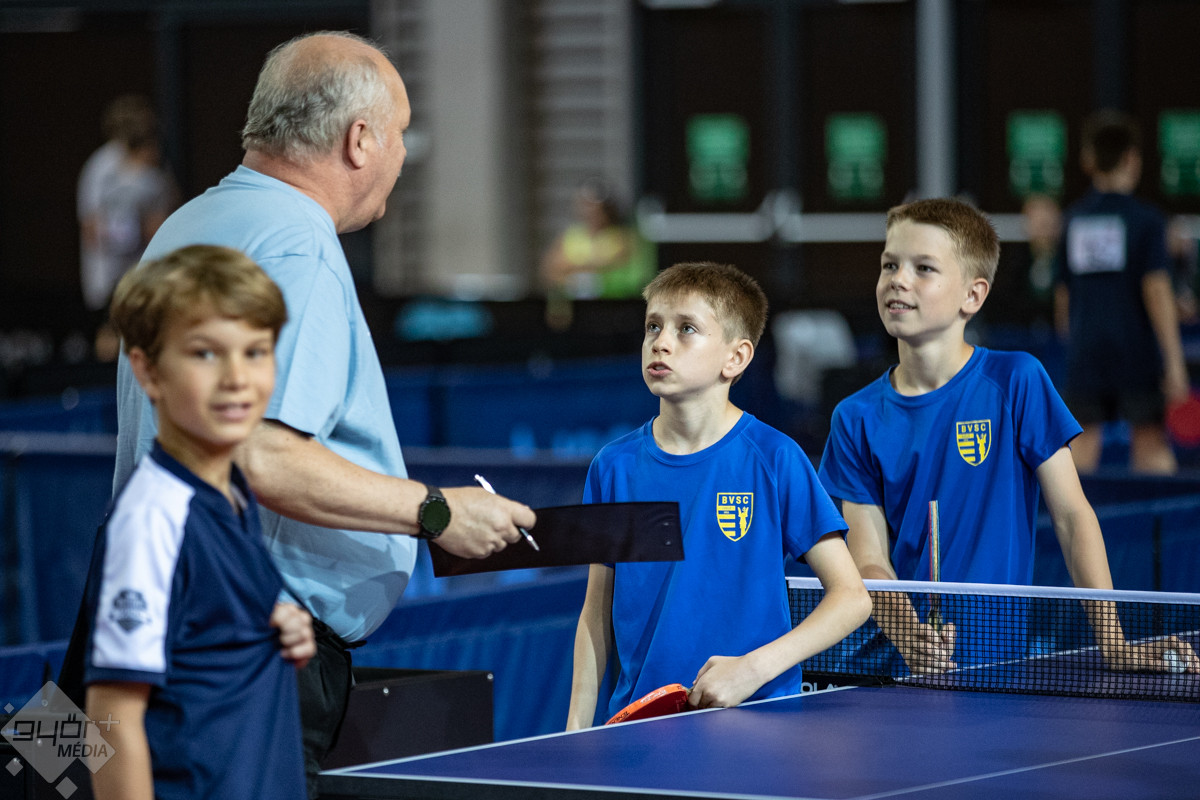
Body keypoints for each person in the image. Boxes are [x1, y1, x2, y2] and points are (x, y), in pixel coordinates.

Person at [111, 31, 536, 795]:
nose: (402, 157)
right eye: (401, 135)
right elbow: (262, 455)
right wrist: (435, 512)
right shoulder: (298, 246)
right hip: (251, 656)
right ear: (359, 139)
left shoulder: (186, 224)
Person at [817, 197, 1197, 675]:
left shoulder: (1016, 380)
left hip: (1000, 666)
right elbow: (869, 557)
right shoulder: (854, 417)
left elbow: (1072, 517)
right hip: (898, 671)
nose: (898, 279)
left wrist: (1114, 643)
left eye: (924, 268)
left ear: (973, 296)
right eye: (889, 264)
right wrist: (907, 630)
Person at [566, 262, 871, 729]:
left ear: (736, 358)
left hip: (759, 721)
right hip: (643, 727)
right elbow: (595, 615)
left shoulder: (775, 458)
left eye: (686, 329)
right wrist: (575, 731)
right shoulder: (612, 467)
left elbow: (851, 598)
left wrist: (753, 669)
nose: (661, 342)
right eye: (653, 326)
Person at [80, 244, 314, 799]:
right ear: (148, 370)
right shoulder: (153, 518)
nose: (237, 377)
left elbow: (203, 639)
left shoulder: (231, 491)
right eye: (205, 354)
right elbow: (108, 721)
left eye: (256, 352)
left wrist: (274, 623)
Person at [1053, 109, 1189, 475]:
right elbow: (1156, 290)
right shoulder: (1147, 221)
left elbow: (1063, 298)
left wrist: (1075, 344)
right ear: (1132, 159)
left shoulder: (1073, 220)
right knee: (1151, 444)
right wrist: (1174, 362)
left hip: (1087, 352)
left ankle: (1072, 515)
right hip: (1136, 353)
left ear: (1088, 160)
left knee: (1081, 448)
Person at [77, 94, 178, 358]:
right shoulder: (101, 169)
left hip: (145, 272)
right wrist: (136, 230)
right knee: (112, 338)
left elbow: (168, 210)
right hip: (110, 276)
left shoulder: (156, 168)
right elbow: (91, 229)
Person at [540, 178, 656, 330]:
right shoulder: (570, 236)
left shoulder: (624, 237)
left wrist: (574, 267)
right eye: (586, 206)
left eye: (597, 208)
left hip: (614, 313)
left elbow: (624, 265)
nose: (591, 212)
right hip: (576, 315)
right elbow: (551, 270)